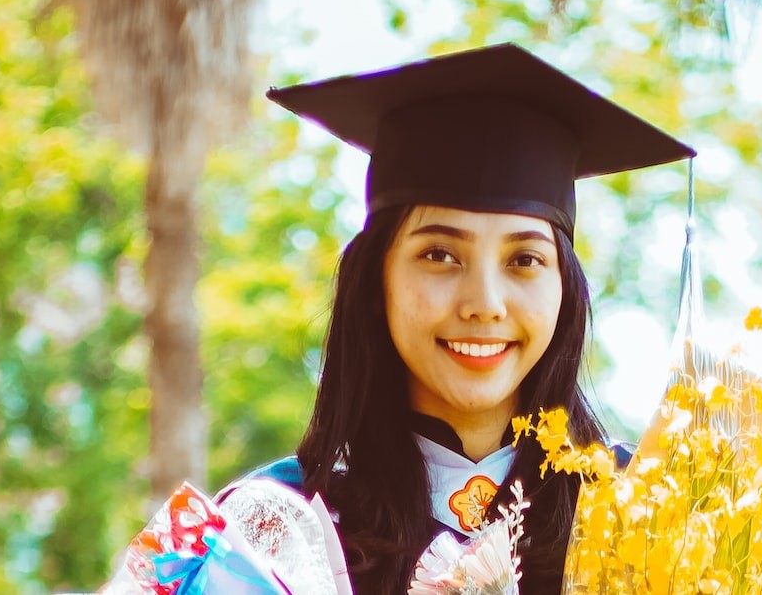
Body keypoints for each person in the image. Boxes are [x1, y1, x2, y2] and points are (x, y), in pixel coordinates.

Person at [215, 43, 694, 593]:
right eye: (440, 255)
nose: (484, 302)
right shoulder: (273, 532)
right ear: (377, 281)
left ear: (565, 289)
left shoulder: (642, 514)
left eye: (525, 259)